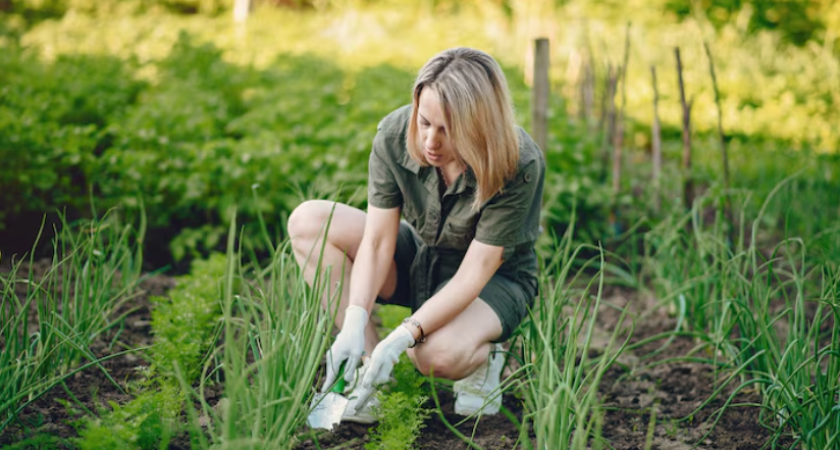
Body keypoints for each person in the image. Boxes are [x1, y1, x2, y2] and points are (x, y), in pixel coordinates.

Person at [288, 47, 544, 423]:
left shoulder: (517, 161)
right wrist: (356, 322)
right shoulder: (394, 133)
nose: (430, 142)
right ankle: (366, 373)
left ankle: (484, 359)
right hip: (424, 261)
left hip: (492, 281)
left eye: (448, 130)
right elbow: (377, 242)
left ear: (480, 126)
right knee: (309, 222)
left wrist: (404, 336)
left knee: (431, 356)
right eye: (425, 122)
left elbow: (476, 271)